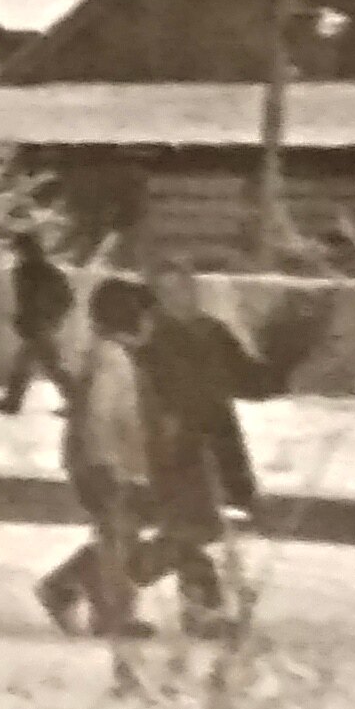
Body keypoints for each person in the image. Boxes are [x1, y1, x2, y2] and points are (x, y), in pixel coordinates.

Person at [134, 269, 275, 636]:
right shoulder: (150, 340)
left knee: (194, 527)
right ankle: (95, 574)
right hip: (171, 444)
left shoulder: (212, 333)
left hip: (212, 440)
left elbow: (250, 381)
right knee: (192, 526)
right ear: (158, 298)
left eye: (189, 288)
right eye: (175, 290)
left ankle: (199, 608)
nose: (186, 296)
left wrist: (279, 352)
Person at [39, 274, 160, 640]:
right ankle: (107, 613)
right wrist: (108, 463)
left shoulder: (106, 355)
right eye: (147, 316)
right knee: (118, 540)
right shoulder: (114, 361)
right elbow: (102, 415)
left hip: (104, 461)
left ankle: (70, 590)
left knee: (119, 537)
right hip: (104, 463)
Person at [0, 229, 76, 413]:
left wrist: (50, 318)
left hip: (41, 326)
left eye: (20, 250)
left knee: (46, 365)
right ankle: (12, 402)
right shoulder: (28, 272)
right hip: (37, 325)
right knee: (44, 365)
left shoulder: (45, 273)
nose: (18, 254)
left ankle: (12, 403)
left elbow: (66, 300)